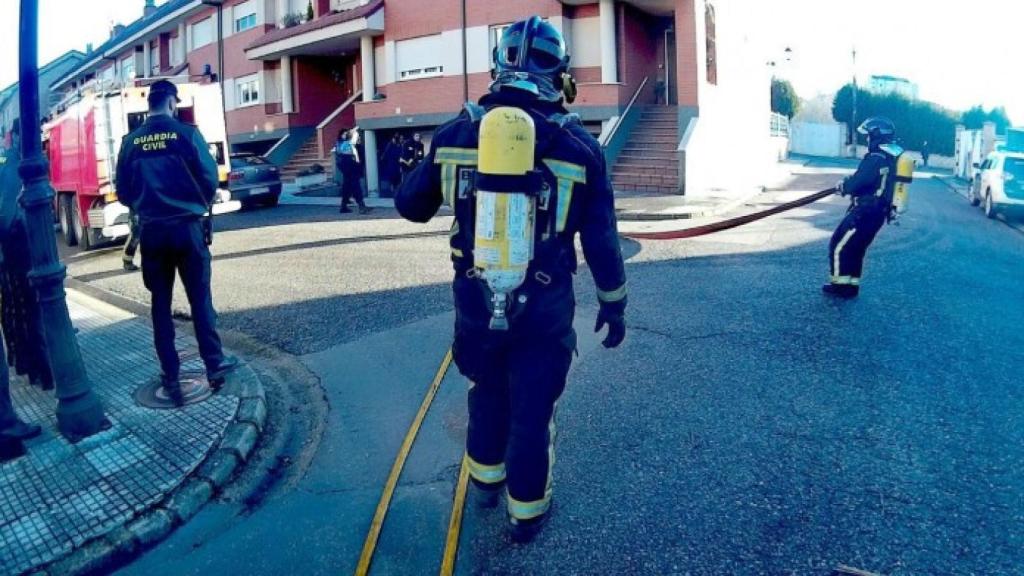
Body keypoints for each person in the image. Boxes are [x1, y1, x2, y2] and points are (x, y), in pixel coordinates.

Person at [396, 16, 627, 543]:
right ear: (560, 74)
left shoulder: (459, 129)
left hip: (475, 302)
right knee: (533, 408)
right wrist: (614, 304)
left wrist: (423, 163)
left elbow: (411, 207)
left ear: (499, 65)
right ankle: (526, 513)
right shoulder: (579, 147)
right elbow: (602, 241)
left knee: (487, 390)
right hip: (544, 307)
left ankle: (484, 479)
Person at [114, 80, 238, 406]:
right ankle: (214, 364)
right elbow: (210, 180)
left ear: (149, 104)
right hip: (188, 229)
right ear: (171, 102)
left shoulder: (131, 142)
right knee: (200, 300)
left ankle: (170, 376)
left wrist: (147, 203)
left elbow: (124, 192)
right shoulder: (186, 135)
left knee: (160, 306)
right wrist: (192, 201)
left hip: (153, 232)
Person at [824, 116, 902, 298]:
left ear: (876, 136)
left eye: (868, 136)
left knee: (839, 245)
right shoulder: (890, 158)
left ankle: (839, 285)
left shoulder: (875, 158)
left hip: (864, 213)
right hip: (877, 213)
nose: (867, 139)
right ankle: (851, 286)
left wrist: (844, 185)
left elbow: (860, 181)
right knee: (856, 248)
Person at [335, 129, 371, 214]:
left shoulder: (340, 144)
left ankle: (344, 206)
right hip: (351, 165)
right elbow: (357, 157)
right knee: (355, 185)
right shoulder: (350, 144)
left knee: (347, 185)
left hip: (345, 166)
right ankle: (361, 206)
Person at [380, 133, 403, 198]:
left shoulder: (398, 147)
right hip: (392, 165)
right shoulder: (389, 146)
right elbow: (384, 156)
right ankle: (393, 192)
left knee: (397, 179)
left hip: (396, 165)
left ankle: (396, 192)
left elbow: (400, 156)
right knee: (392, 179)